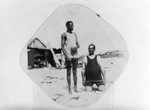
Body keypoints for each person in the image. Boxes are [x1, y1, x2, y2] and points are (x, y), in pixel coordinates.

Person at [61, 21, 80, 94]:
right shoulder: (64, 35)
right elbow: (62, 47)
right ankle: (69, 89)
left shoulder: (74, 34)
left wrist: (75, 47)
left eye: (73, 25)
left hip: (75, 55)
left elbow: (78, 45)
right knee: (69, 73)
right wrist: (66, 56)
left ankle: (75, 88)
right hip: (68, 56)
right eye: (70, 25)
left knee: (75, 72)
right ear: (67, 26)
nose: (72, 27)